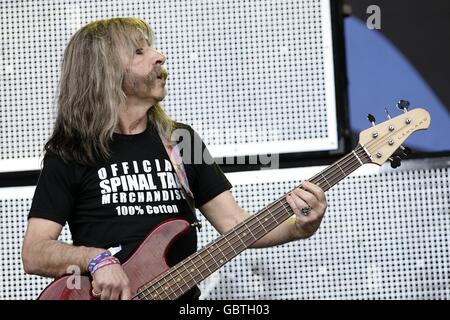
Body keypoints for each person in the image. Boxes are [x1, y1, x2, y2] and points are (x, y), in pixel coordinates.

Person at [22, 18, 328, 300]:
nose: (159, 56)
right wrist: (96, 259)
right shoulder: (71, 152)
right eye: (139, 51)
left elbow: (234, 223)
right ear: (106, 71)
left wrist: (298, 228)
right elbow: (35, 252)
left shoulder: (181, 140)